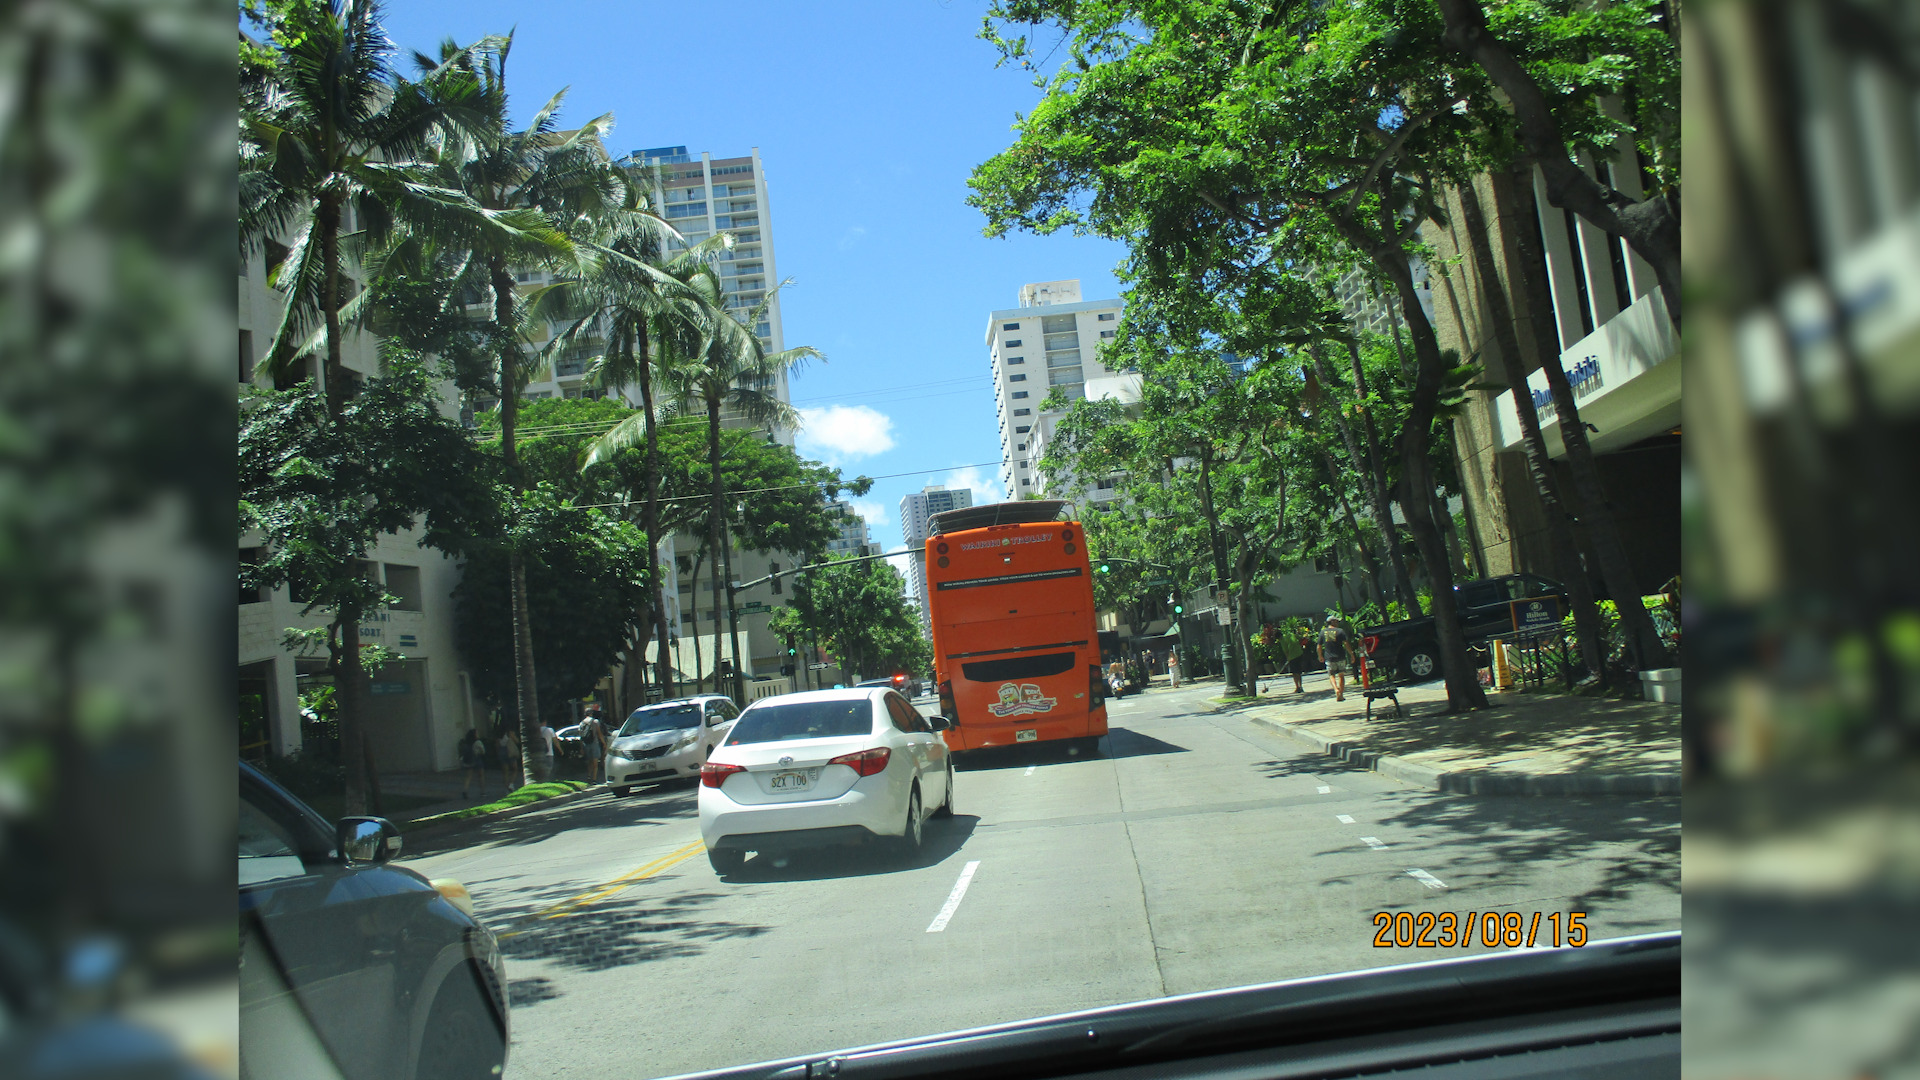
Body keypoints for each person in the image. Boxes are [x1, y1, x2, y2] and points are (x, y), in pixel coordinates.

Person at [1318, 615, 1358, 703]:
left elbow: (1319, 646)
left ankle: (1336, 689)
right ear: (1332, 622)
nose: (1337, 623)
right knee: (1341, 675)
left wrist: (1320, 656)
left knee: (1331, 675)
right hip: (1340, 656)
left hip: (1329, 658)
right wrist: (1351, 654)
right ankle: (1341, 694)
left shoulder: (1323, 632)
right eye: (1336, 621)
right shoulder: (1340, 631)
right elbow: (1346, 643)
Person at [579, 706, 608, 785]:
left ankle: (588, 776)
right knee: (595, 763)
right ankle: (594, 779)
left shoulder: (582, 723)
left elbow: (581, 737)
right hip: (594, 743)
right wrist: (604, 743)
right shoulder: (595, 722)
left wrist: (581, 748)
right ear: (591, 713)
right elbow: (599, 733)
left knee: (590, 762)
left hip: (586, 744)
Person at [458, 727, 487, 800]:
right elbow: (483, 751)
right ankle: (482, 792)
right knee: (481, 776)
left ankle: (465, 790)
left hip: (470, 760)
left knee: (468, 776)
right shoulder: (478, 742)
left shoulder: (467, 742)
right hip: (477, 759)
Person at [497, 726, 521, 791]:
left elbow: (497, 745)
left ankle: (506, 787)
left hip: (502, 752)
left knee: (505, 772)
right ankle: (511, 784)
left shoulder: (499, 735)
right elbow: (517, 741)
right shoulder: (510, 733)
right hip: (509, 751)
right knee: (515, 769)